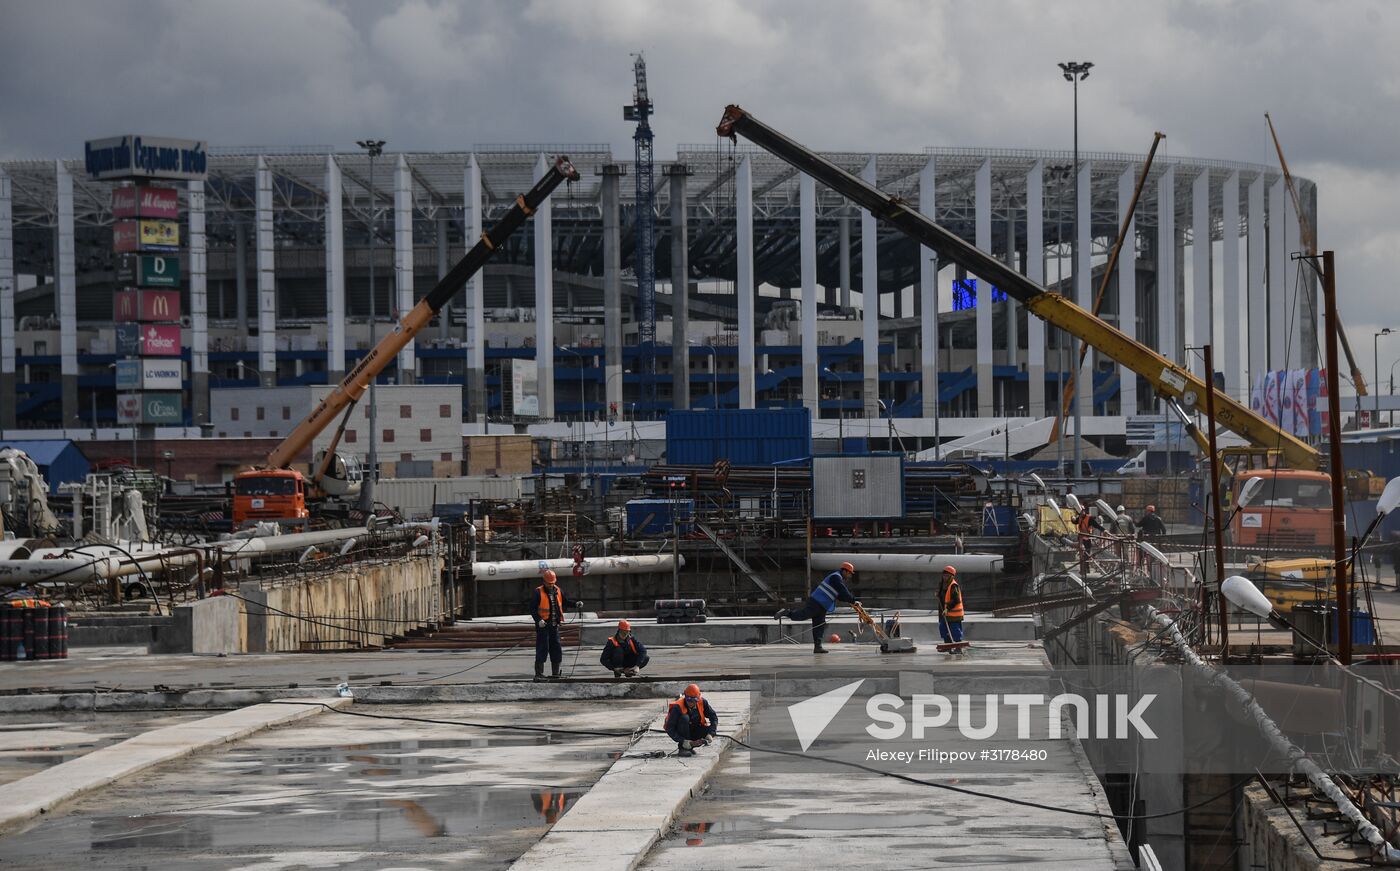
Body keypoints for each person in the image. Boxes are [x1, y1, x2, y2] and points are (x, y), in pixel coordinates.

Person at [773, 561, 859, 653]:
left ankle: (818, 647)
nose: (849, 576)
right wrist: (853, 600)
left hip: (822, 605)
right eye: (850, 573)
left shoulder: (838, 579)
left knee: (819, 626)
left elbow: (841, 596)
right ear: (845, 571)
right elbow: (843, 591)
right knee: (803, 615)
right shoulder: (836, 577)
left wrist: (853, 602)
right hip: (817, 602)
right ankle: (786, 612)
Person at [527, 569, 580, 681]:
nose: (551, 585)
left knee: (556, 648)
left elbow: (565, 602)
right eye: (549, 583)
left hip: (554, 625)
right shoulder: (538, 592)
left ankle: (555, 672)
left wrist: (575, 604)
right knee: (542, 648)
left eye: (553, 583)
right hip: (543, 626)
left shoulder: (558, 591)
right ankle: (539, 673)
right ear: (544, 582)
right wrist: (538, 620)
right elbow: (532, 608)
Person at [665, 683, 718, 756]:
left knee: (709, 729)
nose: (691, 703)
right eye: (689, 700)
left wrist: (711, 734)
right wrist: (682, 741)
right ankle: (683, 748)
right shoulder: (678, 707)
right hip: (682, 732)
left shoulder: (702, 702)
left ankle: (690, 747)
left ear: (698, 698)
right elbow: (669, 728)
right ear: (686, 697)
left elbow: (713, 717)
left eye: (694, 701)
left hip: (695, 729)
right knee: (684, 718)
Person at [937, 565, 965, 651]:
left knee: (955, 631)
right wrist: (938, 593)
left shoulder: (953, 586)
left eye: (946, 576)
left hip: (953, 614)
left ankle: (958, 648)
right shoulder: (943, 584)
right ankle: (947, 647)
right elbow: (943, 595)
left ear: (951, 576)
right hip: (944, 613)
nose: (944, 577)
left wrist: (947, 608)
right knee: (943, 629)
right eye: (944, 575)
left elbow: (956, 600)